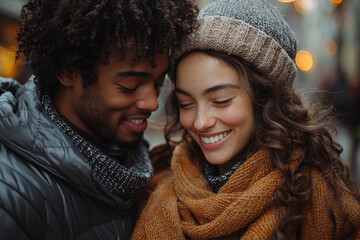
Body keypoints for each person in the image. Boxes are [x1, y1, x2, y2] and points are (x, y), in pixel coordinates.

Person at [131, 0, 360, 239]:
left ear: (265, 99)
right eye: (186, 104)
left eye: (221, 101)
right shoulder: (154, 184)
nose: (200, 122)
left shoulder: (323, 199)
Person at [0, 0, 198, 239]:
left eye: (158, 83)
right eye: (129, 85)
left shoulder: (134, 159)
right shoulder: (12, 201)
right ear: (67, 71)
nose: (152, 103)